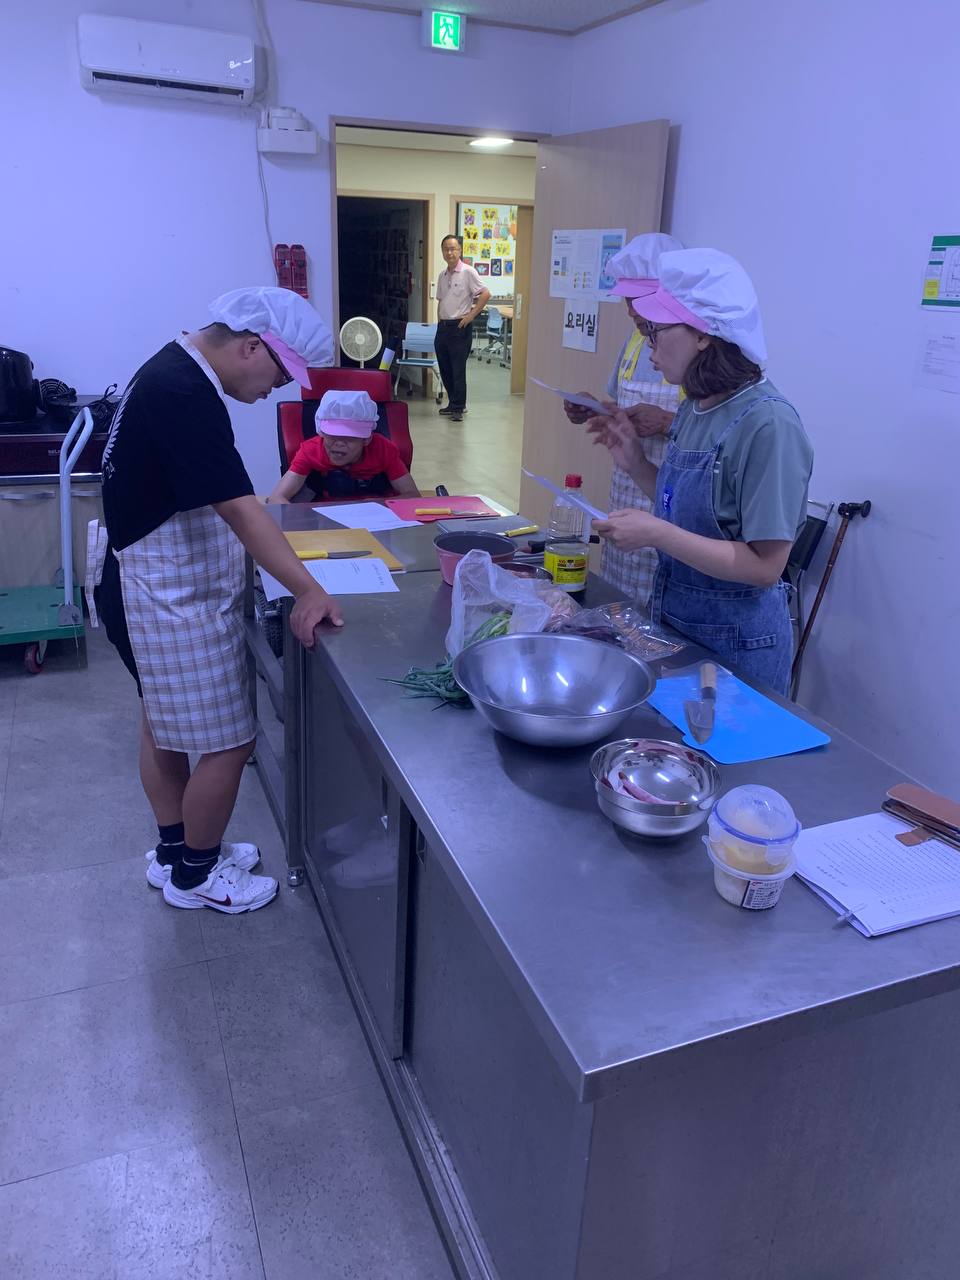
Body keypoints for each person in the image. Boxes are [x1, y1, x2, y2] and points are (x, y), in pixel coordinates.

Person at [99, 285, 344, 914]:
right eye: (279, 374)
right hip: (161, 596)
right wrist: (309, 587)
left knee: (164, 722)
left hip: (143, 585)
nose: (276, 391)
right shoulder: (184, 392)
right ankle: (197, 877)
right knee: (230, 742)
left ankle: (176, 851)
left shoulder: (172, 367)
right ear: (250, 345)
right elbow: (241, 510)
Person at [591, 249, 813, 695]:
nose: (649, 346)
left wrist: (656, 534)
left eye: (656, 331)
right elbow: (685, 510)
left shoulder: (768, 425)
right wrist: (635, 463)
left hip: (738, 646)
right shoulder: (697, 406)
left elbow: (766, 566)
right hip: (677, 627)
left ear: (704, 336)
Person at [563, 233, 684, 603]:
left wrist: (667, 422)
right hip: (629, 495)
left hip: (675, 512)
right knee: (622, 606)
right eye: (627, 300)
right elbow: (619, 405)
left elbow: (719, 436)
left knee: (663, 614)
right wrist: (594, 408)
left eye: (638, 300)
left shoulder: (693, 353)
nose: (630, 309)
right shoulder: (634, 343)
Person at [267, 389, 419, 503]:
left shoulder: (383, 450)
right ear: (321, 432)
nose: (339, 443)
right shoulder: (311, 451)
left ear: (366, 439)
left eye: (349, 438)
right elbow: (277, 497)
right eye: (332, 435)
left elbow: (412, 495)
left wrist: (378, 504)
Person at [435, 234, 490, 422]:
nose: (449, 252)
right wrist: (439, 321)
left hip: (459, 326)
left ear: (460, 250)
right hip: (443, 327)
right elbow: (441, 301)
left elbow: (485, 294)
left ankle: (459, 407)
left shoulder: (468, 272)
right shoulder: (442, 275)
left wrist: (471, 316)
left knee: (458, 369)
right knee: (445, 368)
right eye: (446, 249)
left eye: (453, 248)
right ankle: (453, 403)